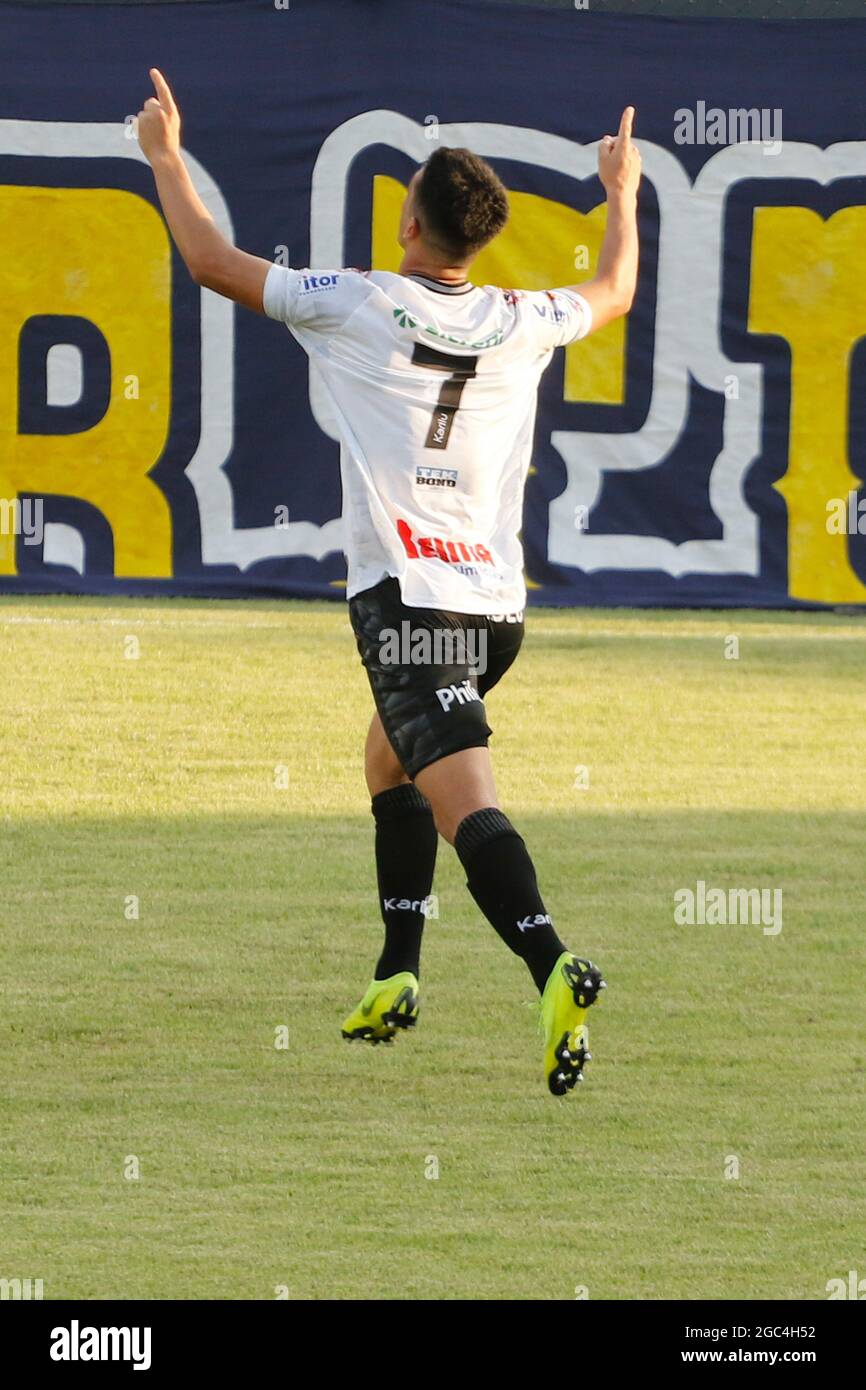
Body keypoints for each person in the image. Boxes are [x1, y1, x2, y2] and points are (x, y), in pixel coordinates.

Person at [136, 70, 641, 1095]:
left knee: (465, 804)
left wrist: (162, 154)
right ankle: (397, 972)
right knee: (386, 761)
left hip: (413, 605)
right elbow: (616, 291)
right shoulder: (521, 316)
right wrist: (619, 196)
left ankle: (553, 966)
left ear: (410, 220)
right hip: (495, 610)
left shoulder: (358, 300)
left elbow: (207, 259)